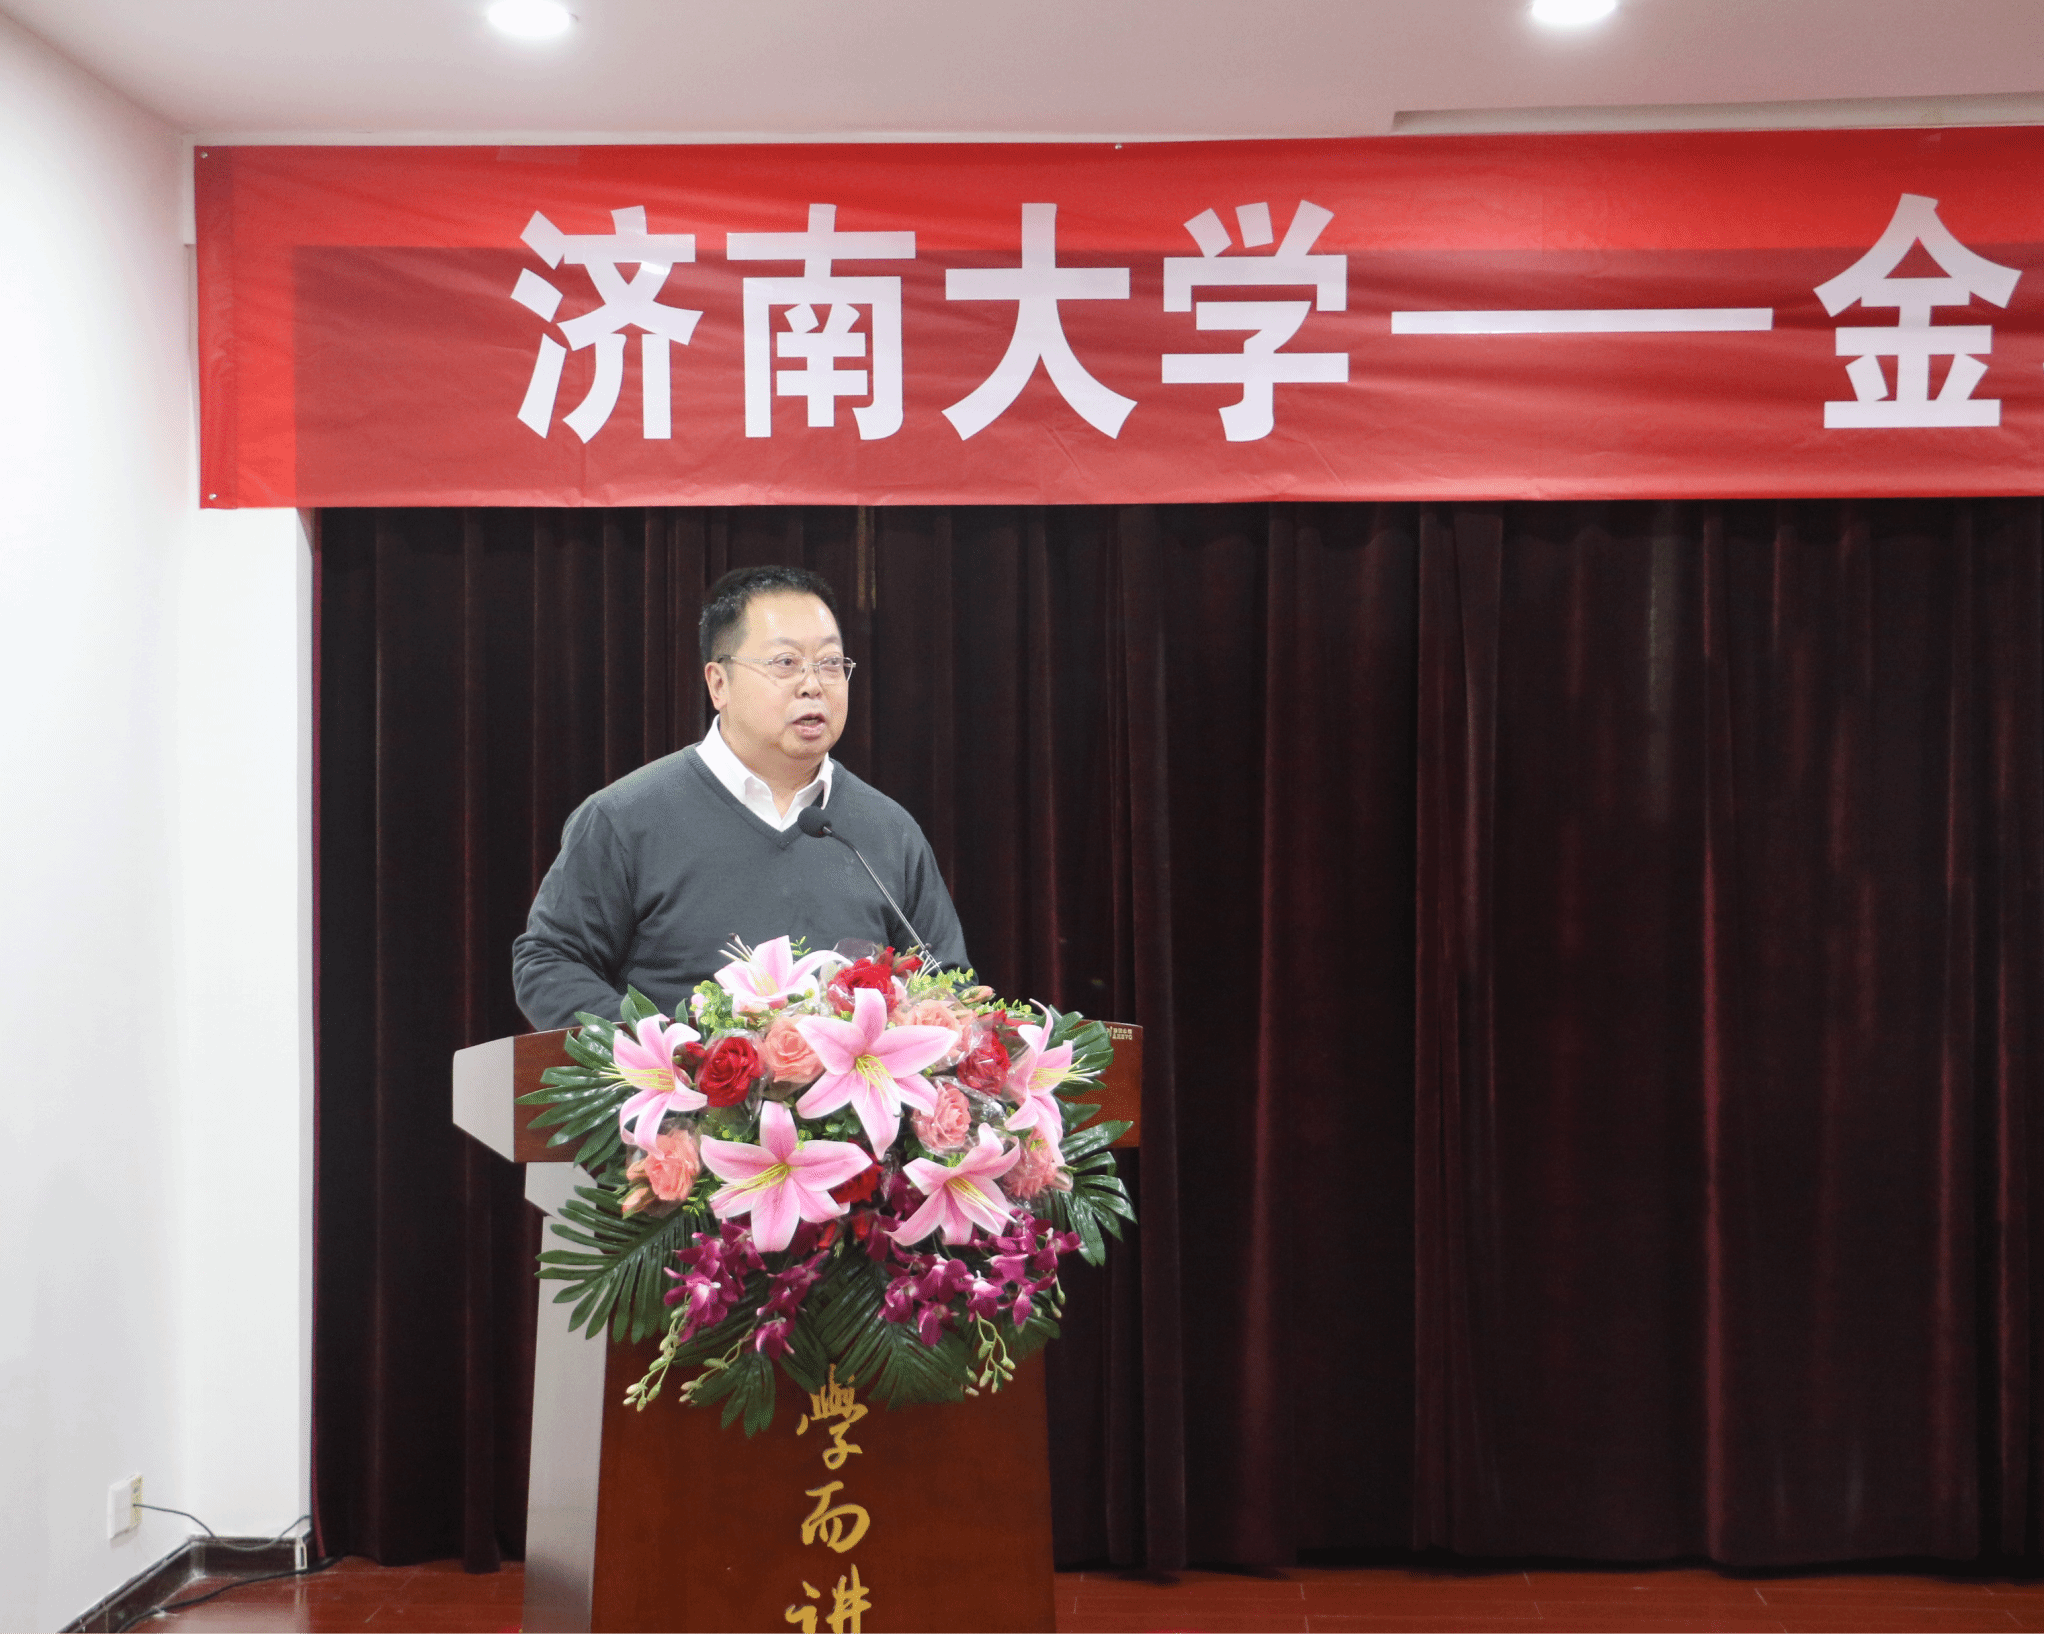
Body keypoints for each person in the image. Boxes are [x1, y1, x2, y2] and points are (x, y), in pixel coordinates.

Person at [512, 564, 969, 1030]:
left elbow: (947, 984)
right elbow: (550, 963)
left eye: (831, 663)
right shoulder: (625, 819)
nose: (813, 684)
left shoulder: (887, 830)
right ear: (719, 683)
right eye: (785, 663)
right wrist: (661, 1051)